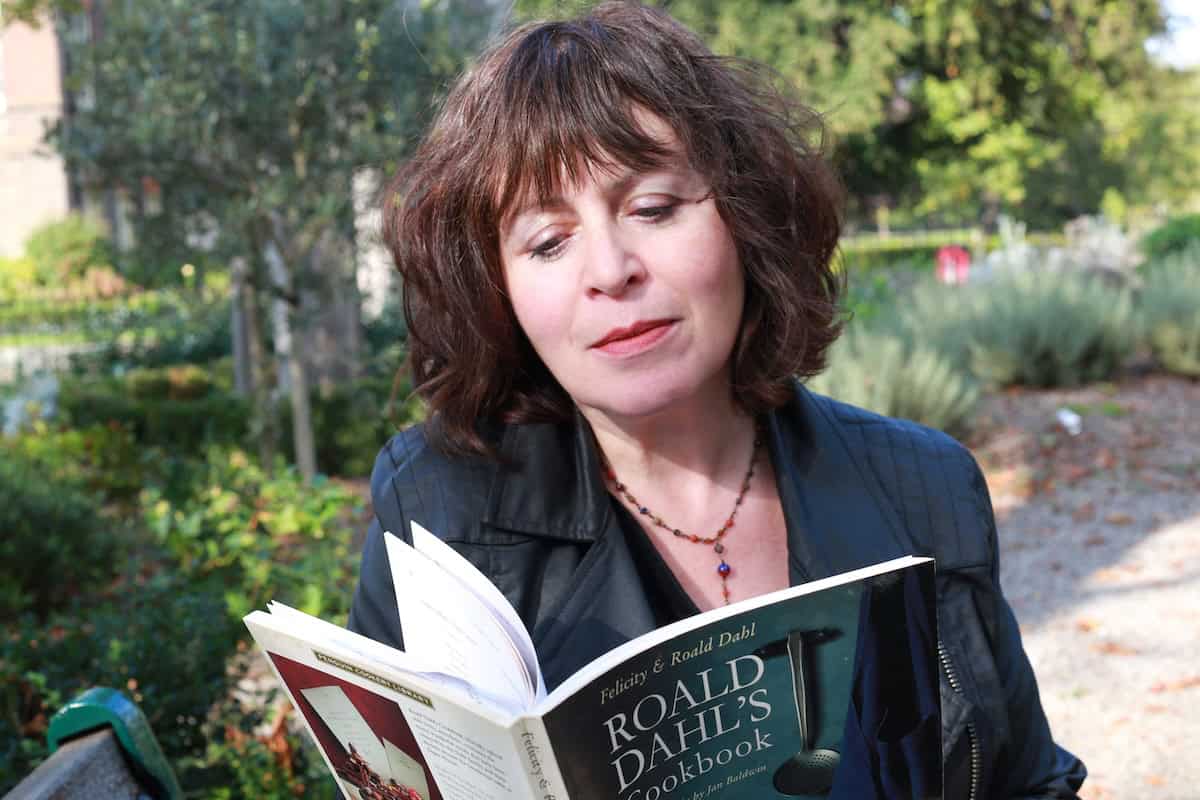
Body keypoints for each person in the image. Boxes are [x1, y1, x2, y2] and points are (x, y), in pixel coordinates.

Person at [348, 3, 1086, 797]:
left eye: (653, 208)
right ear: (499, 289)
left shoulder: (926, 484)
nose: (609, 269)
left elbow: (1025, 781)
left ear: (747, 218)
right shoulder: (438, 514)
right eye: (548, 241)